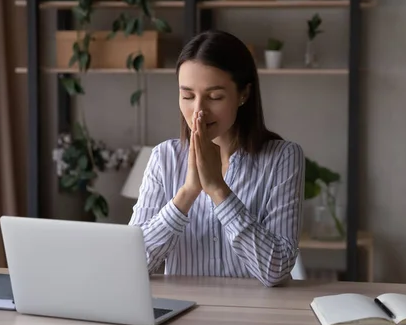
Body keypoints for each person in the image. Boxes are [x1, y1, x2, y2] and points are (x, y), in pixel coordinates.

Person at [128, 30, 305, 287]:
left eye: (214, 97)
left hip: (256, 318)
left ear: (243, 94)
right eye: (187, 96)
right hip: (183, 317)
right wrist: (188, 192)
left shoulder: (282, 158)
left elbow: (276, 271)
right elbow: (133, 265)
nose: (198, 110)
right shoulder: (163, 158)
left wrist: (217, 189)